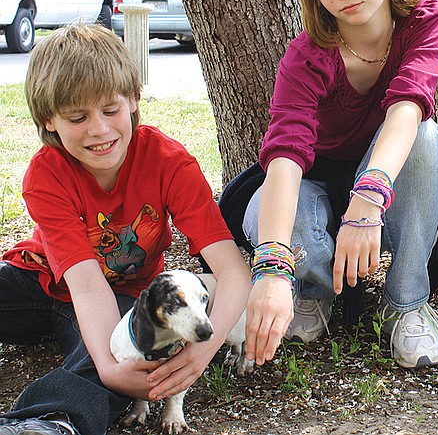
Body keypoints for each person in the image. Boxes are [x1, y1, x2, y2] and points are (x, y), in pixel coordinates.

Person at [0, 25, 252, 435]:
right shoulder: (46, 174)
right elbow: (84, 286)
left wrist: (202, 350)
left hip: (123, 294)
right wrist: (108, 366)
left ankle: (50, 422)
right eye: (78, 117)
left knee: (127, 355)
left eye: (110, 110)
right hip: (38, 278)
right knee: (109, 361)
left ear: (133, 99)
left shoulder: (170, 163)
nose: (99, 130)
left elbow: (232, 271)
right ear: (50, 120)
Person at [241, 0, 438, 370]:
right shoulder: (306, 56)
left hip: (386, 175)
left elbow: (407, 107)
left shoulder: (426, 21)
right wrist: (272, 268)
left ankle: (406, 304)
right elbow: (286, 156)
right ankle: (311, 290)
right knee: (265, 208)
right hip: (315, 183)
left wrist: (370, 196)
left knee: (426, 136)